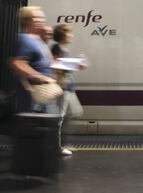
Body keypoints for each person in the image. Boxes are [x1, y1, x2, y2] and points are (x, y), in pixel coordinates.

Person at [10, 6, 59, 113]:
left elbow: (47, 62)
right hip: (35, 99)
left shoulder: (38, 41)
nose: (43, 20)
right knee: (37, 127)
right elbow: (17, 63)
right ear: (27, 21)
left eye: (43, 18)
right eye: (38, 18)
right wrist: (40, 77)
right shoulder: (24, 39)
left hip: (46, 96)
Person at [51, 24, 88, 156]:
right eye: (69, 33)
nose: (71, 35)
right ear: (63, 35)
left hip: (69, 87)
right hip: (62, 87)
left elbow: (65, 65)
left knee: (75, 112)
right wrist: (76, 63)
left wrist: (76, 64)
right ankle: (57, 146)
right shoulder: (56, 48)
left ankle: (62, 143)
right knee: (60, 117)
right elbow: (56, 64)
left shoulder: (64, 49)